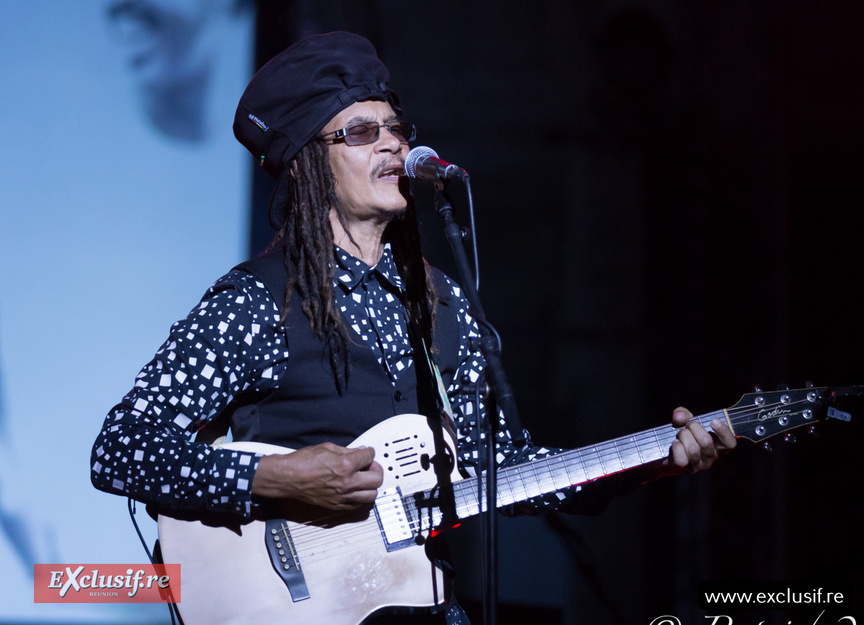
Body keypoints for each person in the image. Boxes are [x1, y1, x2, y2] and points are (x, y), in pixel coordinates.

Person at [90, 31, 736, 624]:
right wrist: (276, 478)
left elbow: (499, 469)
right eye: (361, 131)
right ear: (308, 162)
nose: (393, 144)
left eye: (396, 127)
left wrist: (648, 462)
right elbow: (121, 448)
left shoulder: (443, 303)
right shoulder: (258, 302)